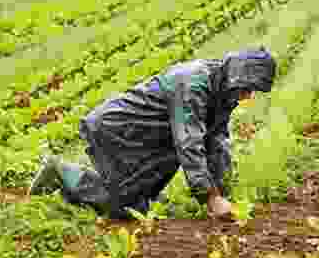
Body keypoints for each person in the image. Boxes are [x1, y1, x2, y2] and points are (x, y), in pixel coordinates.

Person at [28, 47, 277, 220]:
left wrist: (224, 191)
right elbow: (189, 141)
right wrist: (211, 198)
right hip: (119, 131)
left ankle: (75, 193)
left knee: (138, 206)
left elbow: (217, 141)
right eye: (248, 88)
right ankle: (61, 172)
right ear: (237, 76)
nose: (248, 96)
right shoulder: (194, 83)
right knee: (123, 205)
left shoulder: (224, 91)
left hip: (146, 138)